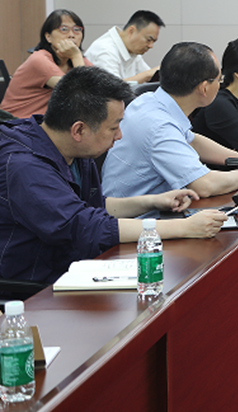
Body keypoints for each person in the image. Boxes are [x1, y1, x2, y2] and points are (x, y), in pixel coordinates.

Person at [0, 66, 225, 285]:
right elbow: (85, 226)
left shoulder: (72, 147)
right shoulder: (24, 167)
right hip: (34, 287)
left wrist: (153, 201)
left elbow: (90, 205)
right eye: (113, 127)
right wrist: (185, 228)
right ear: (79, 130)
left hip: (75, 266)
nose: (119, 136)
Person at [102, 42, 238, 199]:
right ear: (204, 88)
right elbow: (204, 185)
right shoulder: (159, 126)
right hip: (141, 216)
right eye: (219, 80)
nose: (220, 85)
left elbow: (192, 141)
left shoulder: (148, 100)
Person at [1, 9, 93, 118]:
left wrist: (77, 57)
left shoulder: (78, 61)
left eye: (77, 29)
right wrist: (76, 56)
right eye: (64, 29)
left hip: (45, 123)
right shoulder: (39, 59)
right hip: (16, 123)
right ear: (48, 37)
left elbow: (100, 91)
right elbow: (78, 92)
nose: (72, 35)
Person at [84, 10, 164, 85]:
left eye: (153, 42)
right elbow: (113, 88)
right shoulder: (105, 51)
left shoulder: (132, 50)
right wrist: (147, 75)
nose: (151, 46)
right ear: (131, 31)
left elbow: (150, 78)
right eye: (149, 40)